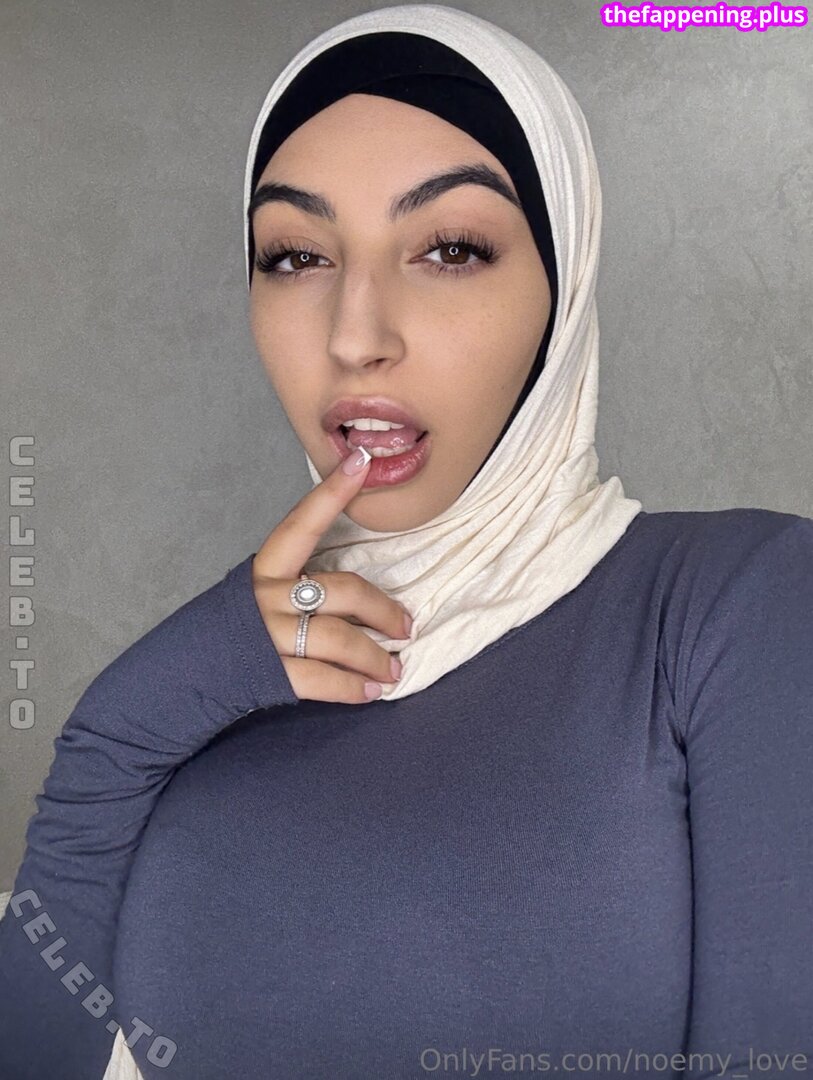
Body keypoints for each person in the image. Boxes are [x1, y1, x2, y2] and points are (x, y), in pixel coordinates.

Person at [1, 5, 811, 1079]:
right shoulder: (207, 691)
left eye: (450, 249)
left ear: (564, 285)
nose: (355, 335)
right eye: (296, 256)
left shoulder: (737, 605)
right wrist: (122, 727)